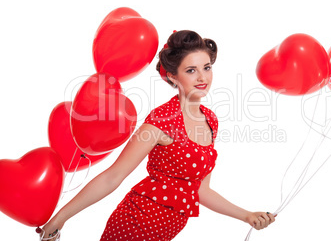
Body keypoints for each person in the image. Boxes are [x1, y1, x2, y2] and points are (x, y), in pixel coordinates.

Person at [41, 30, 275, 240]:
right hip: (134, 227)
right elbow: (113, 177)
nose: (202, 78)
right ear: (173, 76)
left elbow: (200, 189)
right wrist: (59, 220)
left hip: (165, 233)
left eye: (207, 67)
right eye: (191, 70)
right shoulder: (161, 121)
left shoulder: (210, 120)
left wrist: (247, 216)